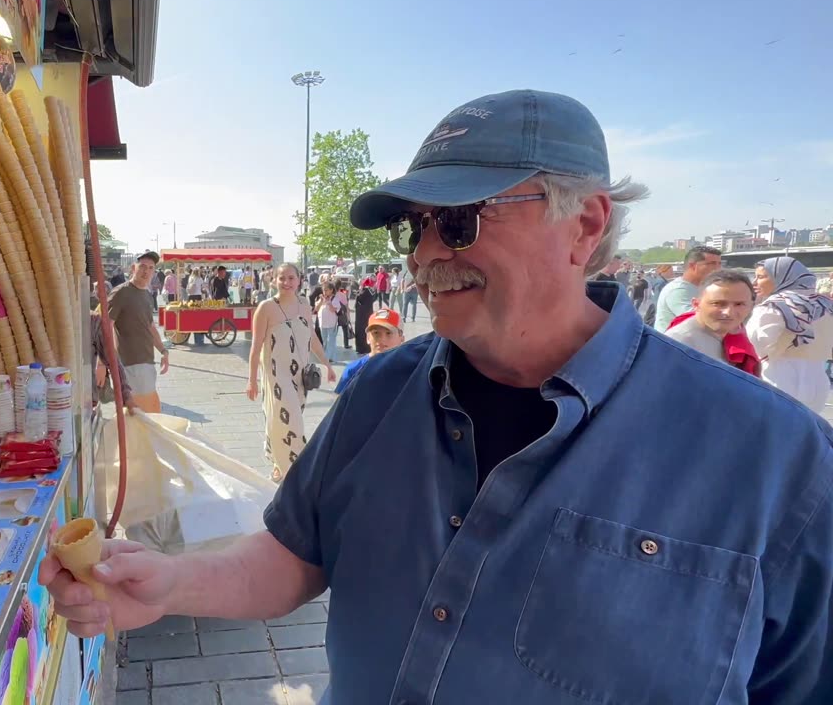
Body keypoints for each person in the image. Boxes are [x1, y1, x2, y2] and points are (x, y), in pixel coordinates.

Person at [43, 89, 833, 703]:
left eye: (456, 221)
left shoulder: (777, 459)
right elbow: (293, 557)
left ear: (584, 224)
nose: (425, 255)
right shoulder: (377, 389)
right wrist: (170, 583)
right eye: (413, 228)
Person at [246, 263, 335, 483]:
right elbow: (256, 347)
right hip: (277, 375)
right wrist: (252, 381)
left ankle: (278, 463)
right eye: (282, 278)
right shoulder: (266, 308)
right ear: (273, 280)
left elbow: (312, 337)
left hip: (300, 375)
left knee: (282, 421)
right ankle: (295, 471)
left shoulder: (305, 304)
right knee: (292, 420)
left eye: (291, 278)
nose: (286, 283)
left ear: (299, 280)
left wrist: (327, 364)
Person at [748, 256, 833, 411]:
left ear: (780, 277)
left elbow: (758, 346)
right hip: (818, 379)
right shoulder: (825, 304)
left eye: (761, 277)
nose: (755, 282)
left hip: (778, 377)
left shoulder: (773, 306)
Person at [664, 269, 759, 375]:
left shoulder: (735, 332)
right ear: (696, 305)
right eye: (718, 304)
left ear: (751, 306)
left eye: (739, 304)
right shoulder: (678, 343)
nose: (729, 312)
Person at [107, 252, 168, 413]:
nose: (146, 271)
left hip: (147, 361)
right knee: (138, 415)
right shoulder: (121, 293)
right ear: (133, 268)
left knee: (146, 414)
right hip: (129, 364)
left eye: (150, 268)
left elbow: (150, 326)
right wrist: (101, 363)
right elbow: (105, 327)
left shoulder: (147, 295)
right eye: (142, 267)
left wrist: (163, 350)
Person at [335, 307, 405, 394]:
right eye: (376, 333)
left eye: (388, 333)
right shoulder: (353, 370)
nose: (382, 339)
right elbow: (339, 404)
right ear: (368, 338)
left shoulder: (410, 370)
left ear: (401, 338)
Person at [654, 246, 722, 330]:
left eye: (719, 263)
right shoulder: (678, 290)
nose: (718, 268)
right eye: (712, 264)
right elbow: (699, 320)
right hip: (673, 342)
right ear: (693, 266)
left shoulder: (704, 288)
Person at [314, 282, 341, 363]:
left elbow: (334, 310)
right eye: (323, 290)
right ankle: (327, 356)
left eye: (326, 290)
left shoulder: (334, 299)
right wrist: (321, 301)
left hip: (331, 323)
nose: (324, 292)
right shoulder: (321, 299)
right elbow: (316, 309)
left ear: (331, 290)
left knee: (331, 340)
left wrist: (329, 303)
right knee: (325, 340)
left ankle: (329, 357)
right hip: (323, 323)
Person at [353, 278, 376, 354]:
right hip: (368, 313)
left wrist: (358, 293)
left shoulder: (365, 291)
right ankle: (366, 348)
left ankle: (361, 349)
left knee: (361, 331)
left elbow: (360, 300)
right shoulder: (371, 291)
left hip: (361, 315)